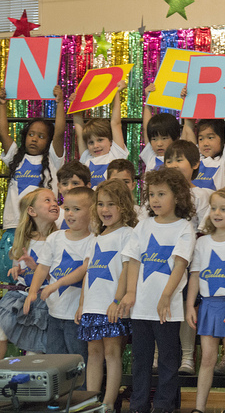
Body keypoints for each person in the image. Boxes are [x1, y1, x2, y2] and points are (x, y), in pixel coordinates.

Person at [118, 168, 196, 413]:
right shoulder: (143, 225)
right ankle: (138, 405)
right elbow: (133, 260)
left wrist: (165, 297)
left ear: (178, 197)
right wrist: (130, 293)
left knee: (168, 360)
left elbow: (180, 264)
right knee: (141, 359)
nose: (155, 200)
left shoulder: (184, 227)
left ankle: (164, 405)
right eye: (151, 194)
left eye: (162, 194)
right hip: (141, 307)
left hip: (167, 308)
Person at [186, 187, 225, 413]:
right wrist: (189, 306)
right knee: (207, 359)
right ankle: (199, 407)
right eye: (214, 208)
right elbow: (195, 275)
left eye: (224, 209)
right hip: (208, 306)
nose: (217, 213)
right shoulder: (203, 243)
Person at [76, 179, 137, 413]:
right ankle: (91, 401)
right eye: (100, 204)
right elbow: (88, 274)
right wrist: (82, 304)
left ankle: (109, 402)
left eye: (111, 204)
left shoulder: (128, 234)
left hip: (111, 305)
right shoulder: (96, 238)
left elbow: (126, 271)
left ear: (123, 206)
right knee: (93, 353)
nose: (105, 210)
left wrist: (116, 300)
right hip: (92, 306)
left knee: (112, 353)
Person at [24, 187, 95, 364]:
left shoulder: (93, 240)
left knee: (78, 361)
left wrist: (56, 285)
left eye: (77, 209)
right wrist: (33, 292)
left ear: (92, 212)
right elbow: (42, 268)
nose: (70, 214)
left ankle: (82, 392)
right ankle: (59, 393)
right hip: (54, 313)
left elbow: (83, 271)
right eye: (68, 208)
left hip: (76, 317)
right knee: (55, 361)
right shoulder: (55, 238)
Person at [0, 85, 65, 278]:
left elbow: (60, 132)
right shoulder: (15, 157)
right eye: (31, 134)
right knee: (12, 276)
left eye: (41, 136)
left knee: (38, 274)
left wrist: (60, 103)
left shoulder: (53, 160)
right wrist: (2, 105)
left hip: (40, 230)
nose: (34, 139)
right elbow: (3, 133)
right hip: (15, 227)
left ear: (49, 141)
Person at [0, 189, 59, 357]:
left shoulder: (58, 239)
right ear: (32, 211)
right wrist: (17, 270)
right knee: (1, 331)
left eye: (55, 200)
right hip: (19, 297)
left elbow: (54, 277)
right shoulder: (23, 239)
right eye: (47, 200)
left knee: (35, 348)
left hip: (42, 302)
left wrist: (36, 268)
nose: (54, 203)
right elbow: (18, 266)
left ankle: (33, 379)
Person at [181, 85, 225, 190]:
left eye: (210, 137)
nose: (205, 143)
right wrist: (187, 99)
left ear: (223, 140)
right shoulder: (196, 157)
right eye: (201, 139)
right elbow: (188, 127)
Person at [72, 81, 129, 187]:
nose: (96, 146)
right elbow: (79, 132)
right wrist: (75, 104)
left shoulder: (116, 155)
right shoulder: (87, 158)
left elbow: (115, 123)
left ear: (111, 141)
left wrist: (116, 93)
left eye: (100, 140)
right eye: (91, 142)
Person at [140, 85, 182, 171]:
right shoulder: (151, 156)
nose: (159, 144)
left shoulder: (181, 157)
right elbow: (146, 127)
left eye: (164, 138)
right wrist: (148, 100)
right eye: (154, 139)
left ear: (176, 139)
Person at [56, 160, 92, 229]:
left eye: (75, 183)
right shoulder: (54, 214)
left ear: (88, 186)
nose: (69, 188)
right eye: (64, 184)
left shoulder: (94, 214)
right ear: (59, 187)